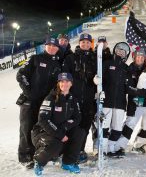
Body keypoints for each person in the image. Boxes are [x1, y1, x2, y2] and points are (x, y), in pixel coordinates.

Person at [16, 37, 61, 169]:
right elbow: (21, 74)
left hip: (44, 104)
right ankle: (25, 157)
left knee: (40, 129)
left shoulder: (57, 65)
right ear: (45, 46)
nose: (52, 48)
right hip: (29, 102)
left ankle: (39, 154)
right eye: (49, 45)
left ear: (58, 48)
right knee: (26, 128)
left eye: (54, 46)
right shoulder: (35, 58)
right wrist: (28, 92)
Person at [31, 73, 85, 175]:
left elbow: (77, 118)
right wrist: (60, 134)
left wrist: (65, 127)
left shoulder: (73, 99)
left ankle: (68, 163)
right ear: (58, 83)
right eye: (62, 81)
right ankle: (39, 161)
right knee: (56, 144)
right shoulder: (50, 98)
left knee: (80, 132)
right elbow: (43, 120)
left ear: (71, 83)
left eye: (67, 81)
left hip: (62, 130)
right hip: (43, 132)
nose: (64, 84)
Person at [114, 49, 146, 155]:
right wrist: (138, 92)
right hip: (135, 102)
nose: (140, 59)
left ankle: (139, 145)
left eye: (142, 57)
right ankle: (119, 146)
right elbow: (126, 87)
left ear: (144, 58)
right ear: (134, 58)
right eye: (138, 57)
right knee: (130, 124)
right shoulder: (129, 69)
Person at [62, 33, 97, 163]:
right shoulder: (71, 58)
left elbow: (100, 74)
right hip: (74, 99)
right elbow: (64, 77)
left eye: (88, 42)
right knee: (72, 126)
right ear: (79, 43)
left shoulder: (95, 58)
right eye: (83, 42)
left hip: (88, 100)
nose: (85, 44)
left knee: (85, 127)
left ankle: (80, 150)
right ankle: (69, 151)